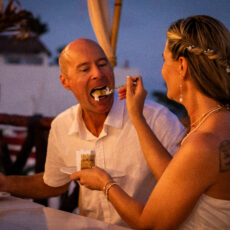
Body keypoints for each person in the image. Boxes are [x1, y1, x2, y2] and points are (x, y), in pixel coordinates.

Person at [0, 38, 185, 227]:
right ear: (66, 81)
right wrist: (6, 184)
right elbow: (53, 183)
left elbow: (184, 185)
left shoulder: (156, 118)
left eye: (103, 64)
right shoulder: (62, 125)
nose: (98, 73)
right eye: (85, 69)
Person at [70, 15, 230, 230]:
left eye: (164, 60)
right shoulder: (219, 121)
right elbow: (178, 177)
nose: (162, 71)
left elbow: (150, 225)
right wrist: (137, 116)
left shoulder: (203, 143)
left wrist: (105, 184)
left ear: (182, 66)